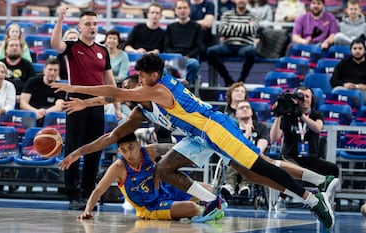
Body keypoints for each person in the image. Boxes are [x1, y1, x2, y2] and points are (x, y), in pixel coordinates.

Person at [51, 53, 337, 229]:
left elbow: (114, 91)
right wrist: (86, 109)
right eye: (136, 78)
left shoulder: (156, 91)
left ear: (154, 76)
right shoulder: (148, 98)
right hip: (199, 134)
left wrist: (75, 88)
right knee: (167, 168)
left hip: (214, 128)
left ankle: (313, 195)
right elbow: (113, 99)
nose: (138, 81)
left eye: (141, 77)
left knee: (258, 167)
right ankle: (214, 202)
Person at [51, 7, 120, 210]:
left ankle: (88, 193)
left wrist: (116, 106)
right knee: (73, 148)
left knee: (94, 149)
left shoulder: (102, 50)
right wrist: (60, 20)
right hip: (75, 102)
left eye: (95, 24)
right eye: (87, 24)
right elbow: (55, 44)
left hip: (97, 104)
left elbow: (110, 81)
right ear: (79, 26)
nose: (92, 27)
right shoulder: (72, 47)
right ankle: (73, 194)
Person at [75, 133, 224, 222]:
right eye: (123, 150)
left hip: (167, 191)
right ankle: (201, 212)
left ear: (138, 145)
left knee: (208, 190)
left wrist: (200, 145)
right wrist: (88, 210)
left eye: (131, 148)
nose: (128, 154)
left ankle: (205, 210)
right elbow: (99, 189)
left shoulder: (150, 151)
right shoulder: (118, 167)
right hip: (149, 207)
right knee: (192, 208)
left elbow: (175, 148)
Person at [270, 86, 339, 211]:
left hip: (310, 158)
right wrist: (278, 115)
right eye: (302, 96)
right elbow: (274, 138)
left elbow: (318, 128)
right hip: (290, 156)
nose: (305, 99)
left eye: (308, 96)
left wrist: (301, 116)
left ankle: (326, 199)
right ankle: (281, 200)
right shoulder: (287, 116)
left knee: (333, 169)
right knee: (289, 168)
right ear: (296, 99)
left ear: (312, 99)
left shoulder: (316, 114)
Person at [221, 100, 269, 198]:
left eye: (247, 107)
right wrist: (247, 133)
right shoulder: (232, 128)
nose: (245, 109)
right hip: (234, 160)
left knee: (247, 154)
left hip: (254, 160)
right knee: (233, 153)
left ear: (252, 112)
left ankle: (245, 185)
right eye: (241, 108)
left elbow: (260, 149)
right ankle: (230, 184)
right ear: (236, 113)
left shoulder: (261, 127)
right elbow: (232, 148)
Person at [206, 0, 259, 86]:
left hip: (245, 46)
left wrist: (231, 26)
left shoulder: (253, 15)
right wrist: (245, 27)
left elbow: (252, 30)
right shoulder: (227, 14)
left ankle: (241, 80)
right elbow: (222, 31)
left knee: (252, 52)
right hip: (228, 45)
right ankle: (227, 79)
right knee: (211, 51)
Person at [330, 38, 366, 104]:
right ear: (351, 50)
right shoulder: (343, 64)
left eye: (360, 48)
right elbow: (333, 80)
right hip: (347, 91)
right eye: (355, 48)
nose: (357, 51)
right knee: (336, 90)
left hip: (365, 92)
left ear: (365, 50)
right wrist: (344, 85)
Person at [164, 0, 202, 85]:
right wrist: (175, 57)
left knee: (194, 64)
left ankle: (185, 88)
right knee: (162, 68)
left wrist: (187, 57)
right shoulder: (170, 27)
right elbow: (166, 46)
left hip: (189, 58)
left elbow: (198, 47)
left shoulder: (197, 27)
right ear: (175, 10)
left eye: (185, 8)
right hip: (173, 58)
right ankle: (170, 90)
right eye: (180, 8)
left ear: (189, 10)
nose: (182, 10)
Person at [19, 58, 65, 126]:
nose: (52, 73)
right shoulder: (32, 82)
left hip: (49, 116)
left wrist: (44, 112)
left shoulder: (60, 87)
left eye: (55, 70)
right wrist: (35, 112)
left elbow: (59, 106)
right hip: (31, 114)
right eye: (50, 69)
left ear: (58, 72)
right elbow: (23, 103)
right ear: (44, 70)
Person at [0, 38, 36, 104]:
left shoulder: (28, 65)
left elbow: (34, 85)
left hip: (23, 100)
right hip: (1, 98)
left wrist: (23, 97)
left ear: (21, 49)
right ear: (6, 49)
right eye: (11, 45)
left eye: (16, 45)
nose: (14, 48)